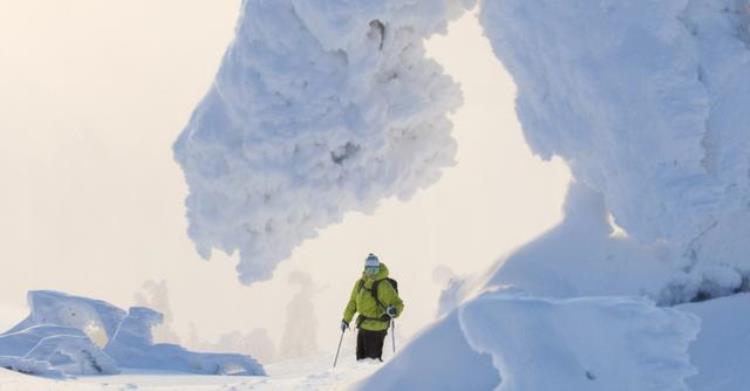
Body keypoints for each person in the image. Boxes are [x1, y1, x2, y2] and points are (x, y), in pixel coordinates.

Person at [341, 253, 404, 361]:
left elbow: (398, 303)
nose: (372, 273)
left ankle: (380, 377)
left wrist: (394, 310)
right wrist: (346, 320)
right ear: (365, 269)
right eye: (369, 270)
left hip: (377, 328)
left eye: (375, 270)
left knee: (371, 362)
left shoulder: (383, 285)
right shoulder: (360, 283)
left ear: (378, 269)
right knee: (360, 360)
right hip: (363, 326)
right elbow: (353, 303)